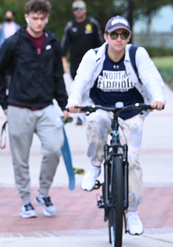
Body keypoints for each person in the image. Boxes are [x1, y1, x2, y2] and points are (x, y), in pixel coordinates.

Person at [67, 15, 165, 235]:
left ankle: (132, 212)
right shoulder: (94, 56)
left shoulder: (137, 54)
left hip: (132, 111)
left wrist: (157, 98)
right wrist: (73, 101)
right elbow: (80, 80)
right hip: (101, 107)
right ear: (106, 36)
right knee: (95, 122)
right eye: (114, 34)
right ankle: (94, 166)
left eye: (123, 34)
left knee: (133, 159)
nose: (118, 39)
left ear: (129, 37)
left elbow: (151, 78)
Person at [0, 0, 69, 219]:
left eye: (42, 18)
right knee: (20, 159)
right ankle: (25, 200)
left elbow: (57, 77)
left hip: (45, 107)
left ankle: (43, 193)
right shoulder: (13, 42)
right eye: (34, 18)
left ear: (47, 18)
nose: (38, 22)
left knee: (54, 148)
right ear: (26, 17)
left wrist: (64, 105)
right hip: (18, 107)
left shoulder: (52, 42)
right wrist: (4, 104)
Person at [61, 0, 103, 80]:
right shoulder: (70, 26)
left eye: (80, 8)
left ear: (85, 9)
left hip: (92, 61)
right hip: (75, 62)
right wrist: (64, 61)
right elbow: (64, 45)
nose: (78, 11)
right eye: (75, 9)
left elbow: (100, 43)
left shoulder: (93, 23)